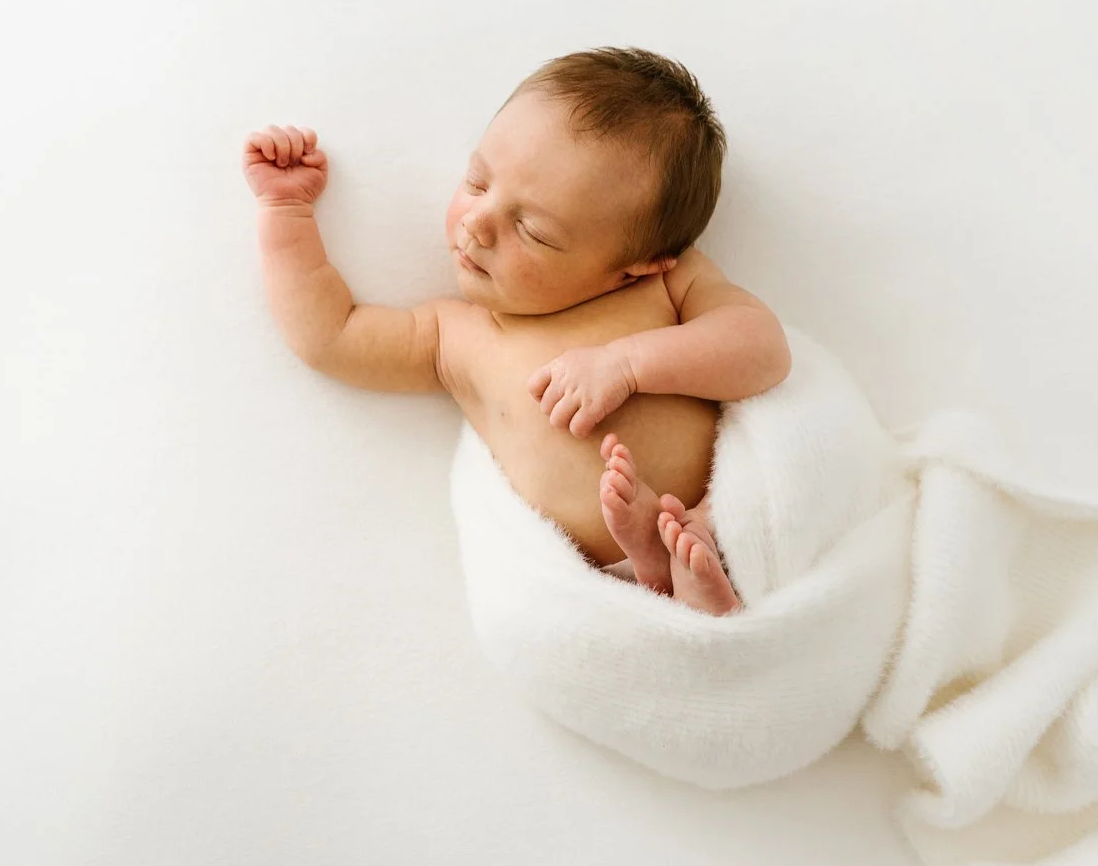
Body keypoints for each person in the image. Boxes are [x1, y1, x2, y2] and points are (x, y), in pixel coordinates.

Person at [244, 48, 790, 614]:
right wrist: (285, 213)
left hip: (729, 516)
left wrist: (626, 365)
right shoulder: (453, 337)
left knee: (753, 514)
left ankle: (691, 566)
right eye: (477, 182)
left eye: (531, 230)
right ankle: (665, 574)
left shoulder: (666, 287)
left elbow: (763, 350)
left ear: (641, 262)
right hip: (605, 582)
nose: (476, 225)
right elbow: (332, 335)